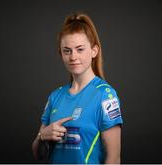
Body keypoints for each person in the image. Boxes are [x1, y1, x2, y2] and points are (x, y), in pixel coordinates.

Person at [32, 12, 123, 164]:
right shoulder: (55, 96)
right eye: (67, 50)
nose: (73, 57)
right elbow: (38, 154)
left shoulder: (105, 95)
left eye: (80, 49)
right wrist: (42, 136)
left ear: (94, 51)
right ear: (61, 54)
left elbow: (113, 158)